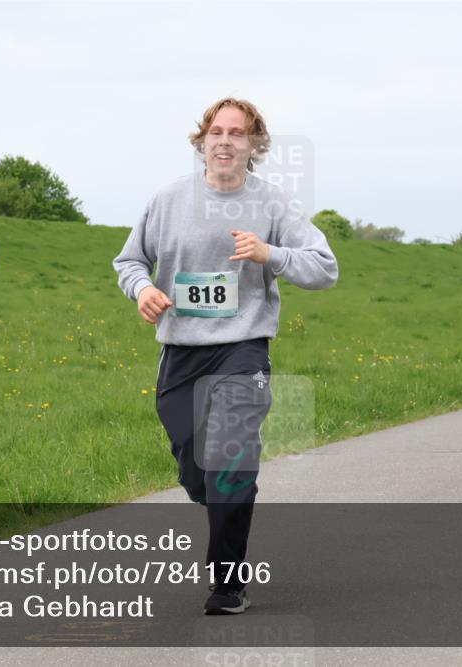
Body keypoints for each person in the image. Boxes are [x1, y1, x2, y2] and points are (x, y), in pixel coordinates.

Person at [113, 98, 338, 614]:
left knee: (230, 468)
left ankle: (227, 584)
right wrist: (141, 289)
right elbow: (129, 260)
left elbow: (325, 268)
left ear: (254, 145)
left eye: (238, 133)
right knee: (200, 475)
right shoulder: (167, 200)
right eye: (216, 131)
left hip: (242, 351)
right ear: (202, 140)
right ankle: (216, 498)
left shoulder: (274, 205)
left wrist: (270, 254)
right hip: (181, 355)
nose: (225, 140)